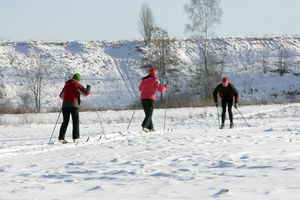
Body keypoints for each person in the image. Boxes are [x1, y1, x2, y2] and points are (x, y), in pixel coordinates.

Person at [58, 73, 91, 143]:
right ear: (78, 79)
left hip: (65, 106)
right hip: (73, 105)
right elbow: (85, 93)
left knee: (65, 122)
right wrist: (88, 88)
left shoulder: (66, 85)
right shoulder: (76, 84)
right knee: (75, 121)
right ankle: (76, 138)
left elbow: (61, 96)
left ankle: (61, 138)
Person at [138, 66, 168, 132]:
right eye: (155, 73)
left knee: (147, 114)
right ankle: (144, 126)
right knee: (149, 114)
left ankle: (151, 128)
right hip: (150, 98)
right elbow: (160, 89)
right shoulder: (155, 80)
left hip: (143, 98)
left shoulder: (144, 80)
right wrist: (166, 87)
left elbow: (140, 88)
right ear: (154, 74)